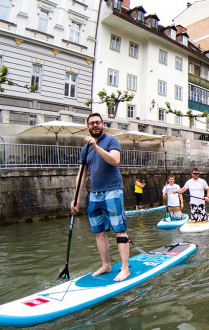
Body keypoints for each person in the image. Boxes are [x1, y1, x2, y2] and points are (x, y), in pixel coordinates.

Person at [70, 113, 130, 282]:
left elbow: (115, 160)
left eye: (97, 122)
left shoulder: (111, 141)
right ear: (88, 127)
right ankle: (106, 265)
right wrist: (76, 198)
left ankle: (125, 268)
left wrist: (96, 147)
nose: (94, 125)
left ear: (103, 124)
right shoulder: (85, 148)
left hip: (112, 190)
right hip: (95, 194)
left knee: (119, 230)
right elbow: (82, 175)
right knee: (98, 232)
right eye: (91, 123)